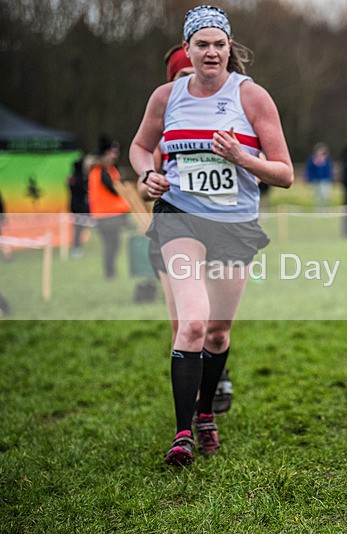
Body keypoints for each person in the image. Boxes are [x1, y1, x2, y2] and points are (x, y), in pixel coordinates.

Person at [129, 5, 293, 467]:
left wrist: (243, 158)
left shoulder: (252, 97)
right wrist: (148, 175)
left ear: (229, 48)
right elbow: (141, 147)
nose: (211, 52)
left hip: (234, 225)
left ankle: (205, 414)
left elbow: (284, 173)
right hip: (179, 216)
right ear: (187, 49)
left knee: (218, 334)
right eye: (201, 44)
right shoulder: (166, 96)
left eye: (219, 44)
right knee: (193, 323)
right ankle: (182, 434)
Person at [137, 44, 235, 416]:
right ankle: (191, 403)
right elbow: (145, 166)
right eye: (181, 76)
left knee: (216, 321)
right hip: (173, 228)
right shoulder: (166, 123)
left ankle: (217, 373)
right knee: (184, 319)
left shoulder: (230, 115)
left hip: (222, 229)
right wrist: (150, 180)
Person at [87, 135, 130, 279]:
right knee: (112, 245)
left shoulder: (107, 170)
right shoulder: (102, 172)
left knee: (111, 245)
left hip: (107, 214)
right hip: (108, 215)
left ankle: (110, 272)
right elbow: (114, 190)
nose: (114, 156)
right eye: (112, 152)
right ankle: (110, 272)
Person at [66, 158, 89, 258]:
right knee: (78, 228)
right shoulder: (79, 179)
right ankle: (77, 247)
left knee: (79, 228)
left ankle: (77, 246)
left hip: (74, 206)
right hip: (79, 207)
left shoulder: (72, 178)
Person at [305, 143, 333, 210]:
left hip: (325, 180)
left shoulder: (327, 160)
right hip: (316, 180)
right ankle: (318, 210)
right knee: (317, 197)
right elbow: (309, 170)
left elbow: (329, 170)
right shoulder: (312, 160)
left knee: (326, 196)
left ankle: (326, 209)